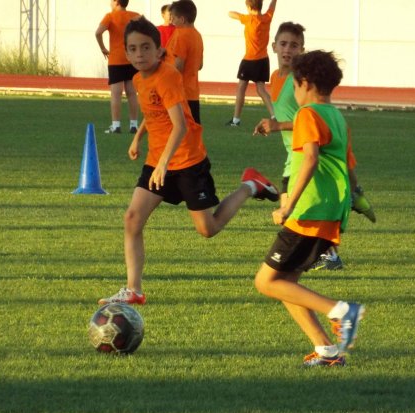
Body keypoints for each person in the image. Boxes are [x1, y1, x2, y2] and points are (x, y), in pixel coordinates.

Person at [98, 16, 279, 305]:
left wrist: (163, 163)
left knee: (207, 229)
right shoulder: (136, 78)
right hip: (160, 160)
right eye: (132, 49)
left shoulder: (168, 75)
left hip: (186, 160)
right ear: (126, 51)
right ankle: (134, 289)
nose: (139, 54)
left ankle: (250, 186)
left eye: (146, 48)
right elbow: (152, 111)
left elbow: (179, 125)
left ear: (159, 51)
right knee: (132, 219)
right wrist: (138, 138)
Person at [253, 50, 365, 367]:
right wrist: (358, 195)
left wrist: (289, 207)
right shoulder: (337, 117)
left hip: (310, 212)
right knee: (287, 284)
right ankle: (327, 350)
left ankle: (341, 310)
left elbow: (311, 159)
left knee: (266, 282)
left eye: (295, 86)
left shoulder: (308, 115)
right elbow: (348, 163)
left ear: (304, 83)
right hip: (331, 212)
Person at [253, 22, 376, 270]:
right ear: (274, 46)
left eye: (294, 45)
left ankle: (315, 256)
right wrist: (272, 121)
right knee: (294, 208)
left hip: (304, 154)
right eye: (284, 44)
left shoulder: (301, 82)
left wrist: (278, 126)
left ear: (302, 50)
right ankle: (322, 248)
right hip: (295, 153)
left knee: (292, 209)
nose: (288, 49)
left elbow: (310, 120)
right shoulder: (277, 78)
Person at [225, 0, 276, 127]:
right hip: (263, 60)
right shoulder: (267, 17)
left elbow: (230, 13)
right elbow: (272, 5)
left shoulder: (248, 19)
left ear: (248, 6)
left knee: (241, 89)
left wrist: (245, 14)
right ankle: (274, 115)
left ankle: (236, 120)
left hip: (249, 60)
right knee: (261, 90)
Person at [95, 0, 140, 134]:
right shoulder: (135, 16)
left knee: (116, 94)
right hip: (132, 58)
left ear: (116, 2)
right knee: (132, 93)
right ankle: (133, 125)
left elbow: (98, 32)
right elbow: (147, 31)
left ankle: (116, 125)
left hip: (116, 59)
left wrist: (103, 48)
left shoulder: (110, 16)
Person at [164, 0, 203, 123]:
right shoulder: (197, 35)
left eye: (174, 17)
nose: (171, 20)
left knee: (176, 132)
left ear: (182, 19)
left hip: (179, 93)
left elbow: (178, 66)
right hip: (193, 92)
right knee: (193, 133)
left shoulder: (181, 34)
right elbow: (200, 65)